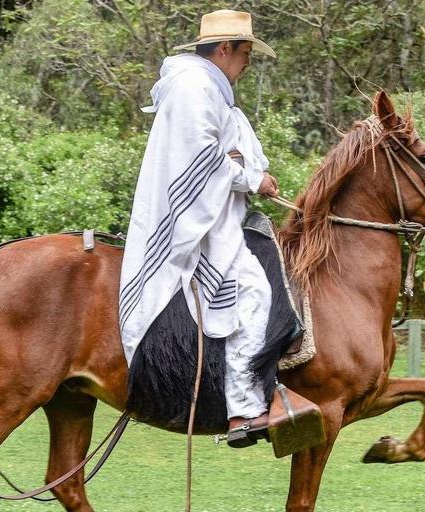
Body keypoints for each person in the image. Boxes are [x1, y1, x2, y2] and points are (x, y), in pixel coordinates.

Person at [119, 9, 281, 447]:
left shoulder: (209, 89)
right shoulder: (195, 88)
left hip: (217, 215)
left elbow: (219, 155)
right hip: (198, 224)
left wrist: (243, 168)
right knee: (253, 290)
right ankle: (244, 409)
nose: (248, 63)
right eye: (246, 52)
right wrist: (252, 178)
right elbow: (202, 158)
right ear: (225, 48)